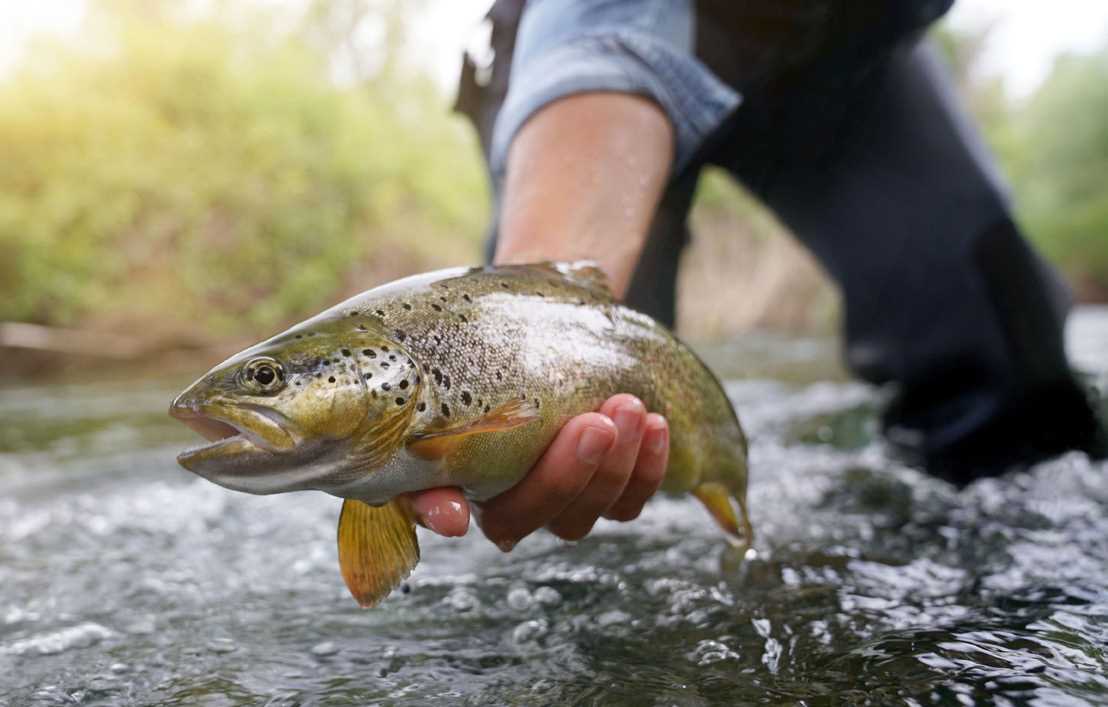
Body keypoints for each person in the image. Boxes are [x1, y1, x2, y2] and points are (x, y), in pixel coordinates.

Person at [404, 0, 1108, 547]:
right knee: (549, 451)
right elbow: (602, 28)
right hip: (595, 43)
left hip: (841, 46)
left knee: (1009, 376)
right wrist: (528, 330)